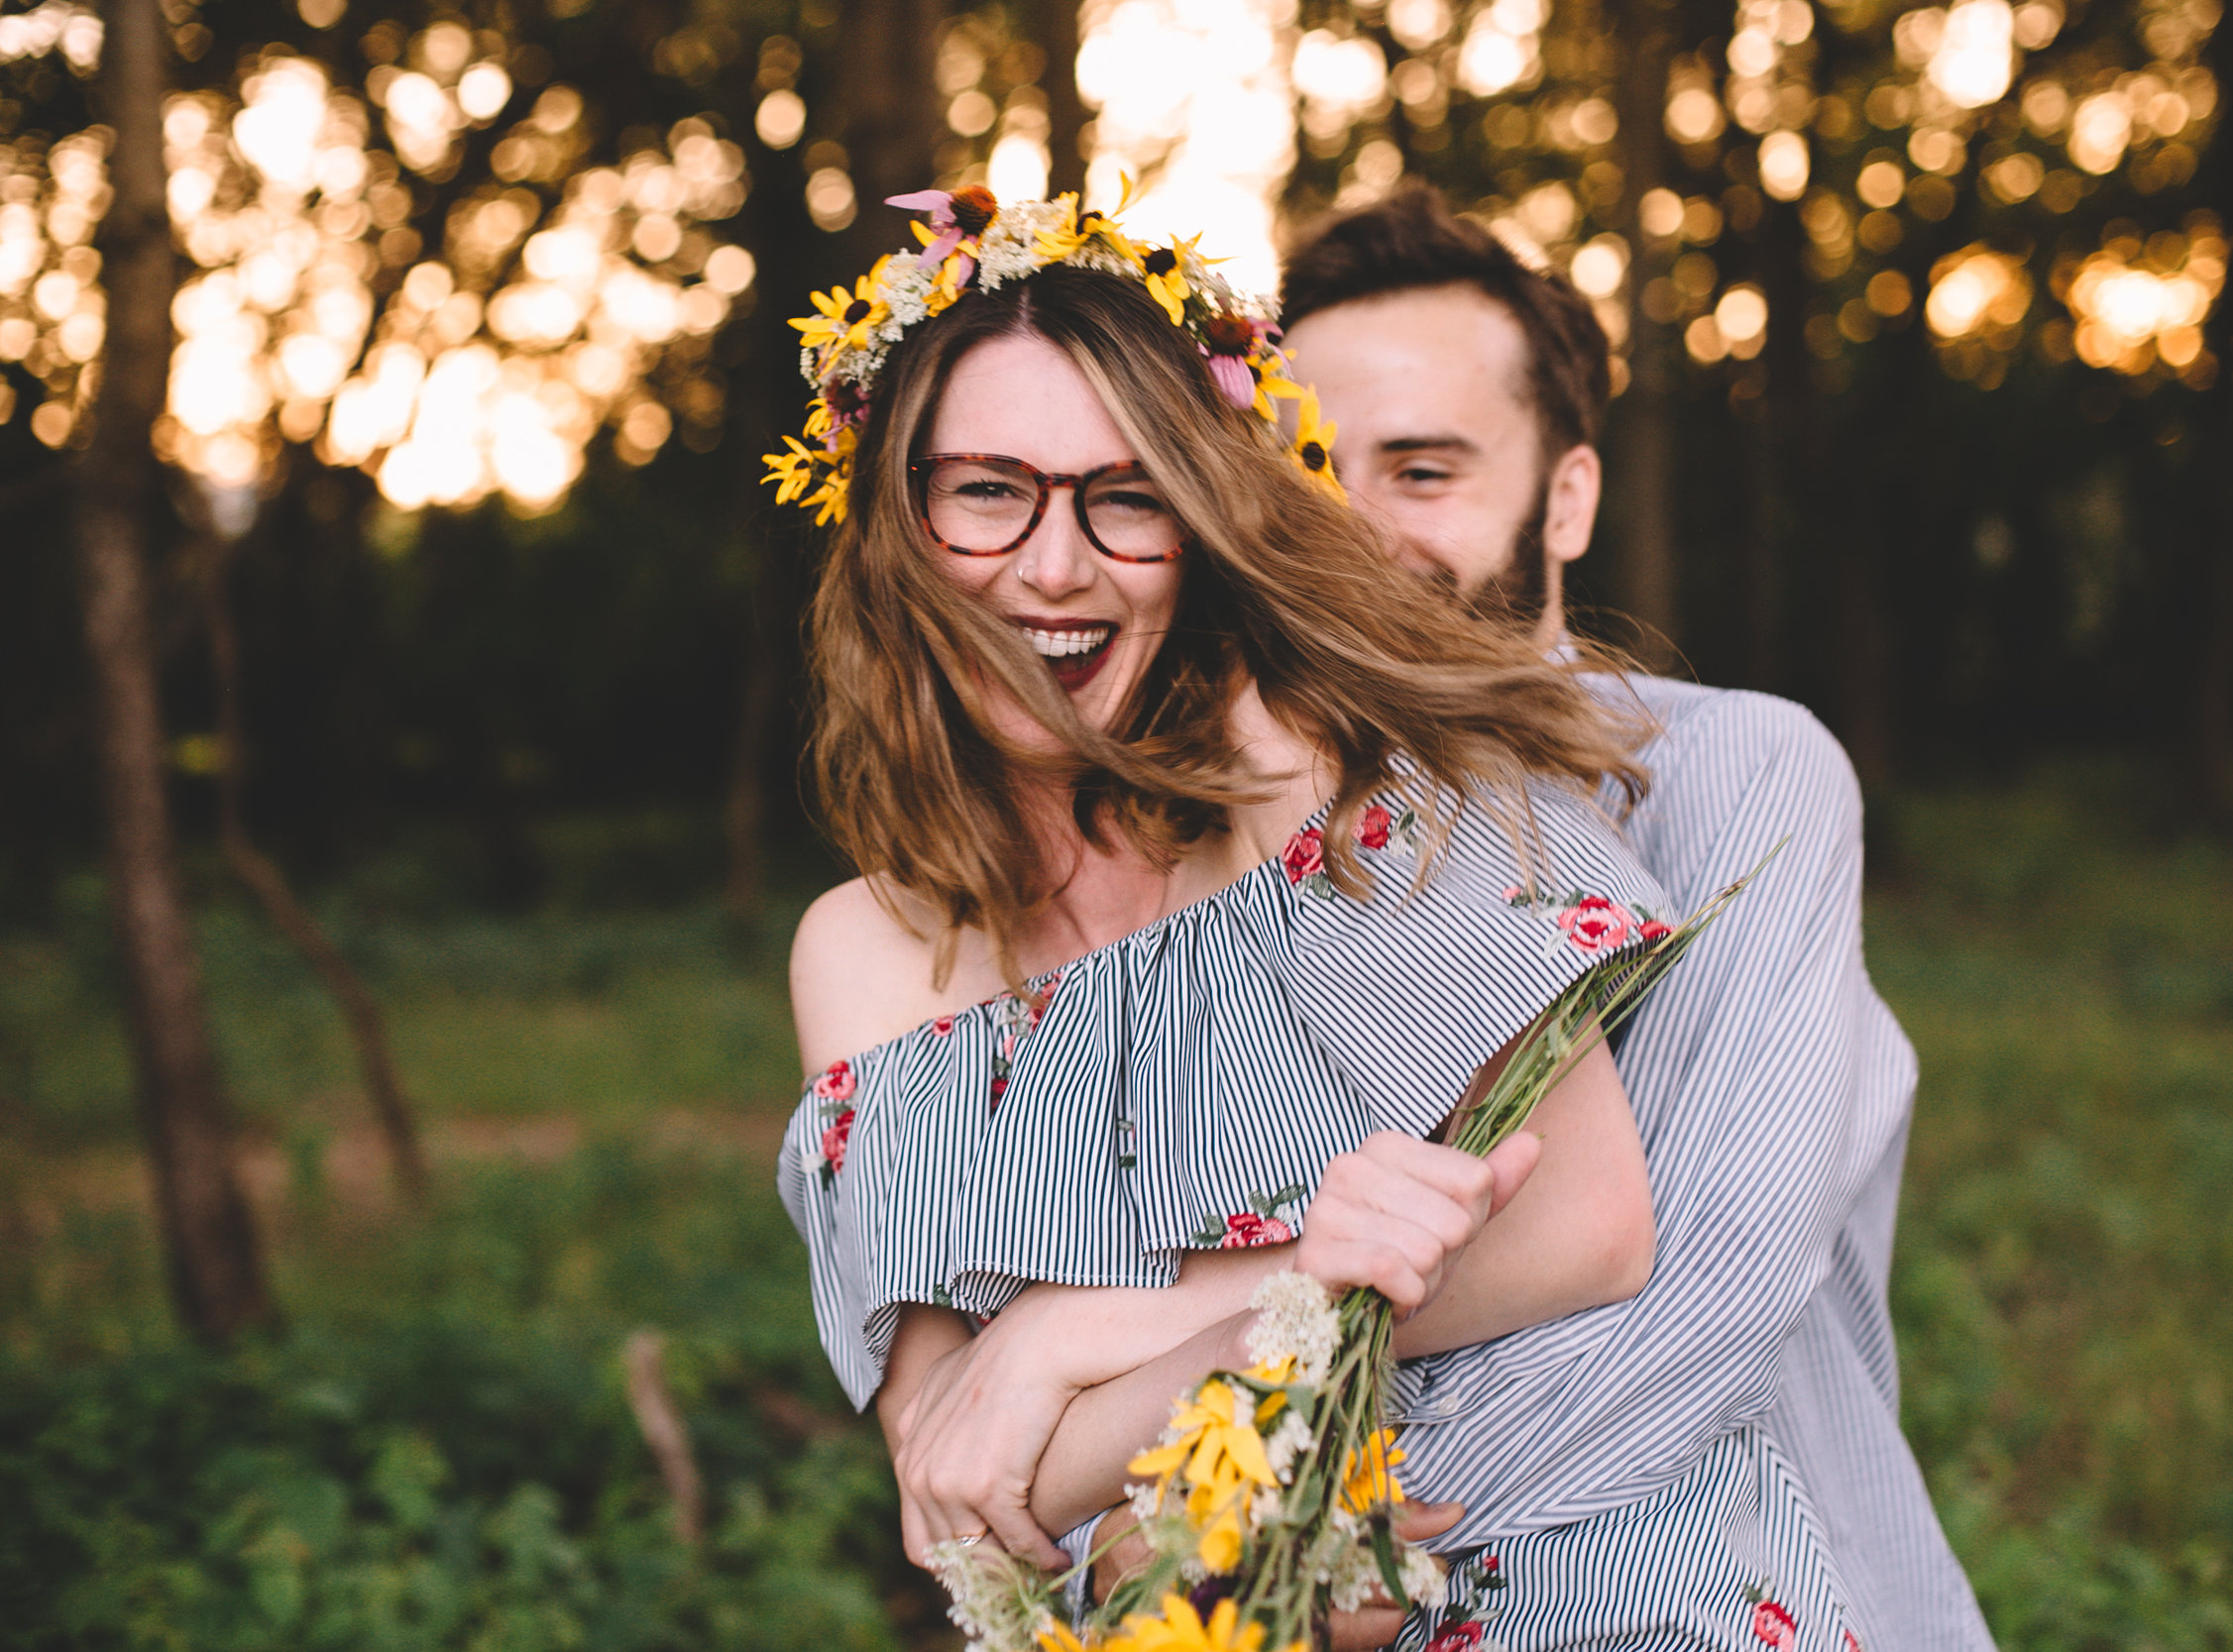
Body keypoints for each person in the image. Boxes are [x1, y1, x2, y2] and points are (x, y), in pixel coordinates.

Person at [771, 188, 1864, 1649]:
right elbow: (962, 1484)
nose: (1053, 564)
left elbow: (1585, 1229)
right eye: (986, 490)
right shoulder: (859, 950)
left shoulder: (1325, 777)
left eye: (1126, 494)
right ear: (897, 525)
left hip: (1593, 1600)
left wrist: (1073, 1340)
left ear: (1204, 523)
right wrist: (1261, 1330)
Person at [1279, 188, 1997, 1651]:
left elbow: (1689, 1287)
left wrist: (1263, 1542)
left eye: (1422, 471)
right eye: (1303, 473)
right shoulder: (1236, 831)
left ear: (1567, 498)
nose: (1345, 530)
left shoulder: (1733, 772)